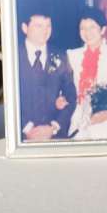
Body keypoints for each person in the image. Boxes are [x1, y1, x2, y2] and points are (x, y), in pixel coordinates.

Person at [14, 7, 74, 143]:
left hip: (54, 135)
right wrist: (27, 129)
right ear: (24, 28)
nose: (45, 31)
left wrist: (53, 127)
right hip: (21, 137)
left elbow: (71, 94)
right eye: (39, 26)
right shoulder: (13, 56)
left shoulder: (60, 56)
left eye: (48, 25)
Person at [65, 7, 107, 140]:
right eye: (83, 28)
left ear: (102, 29)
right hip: (79, 120)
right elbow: (66, 87)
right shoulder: (72, 55)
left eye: (92, 27)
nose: (87, 33)